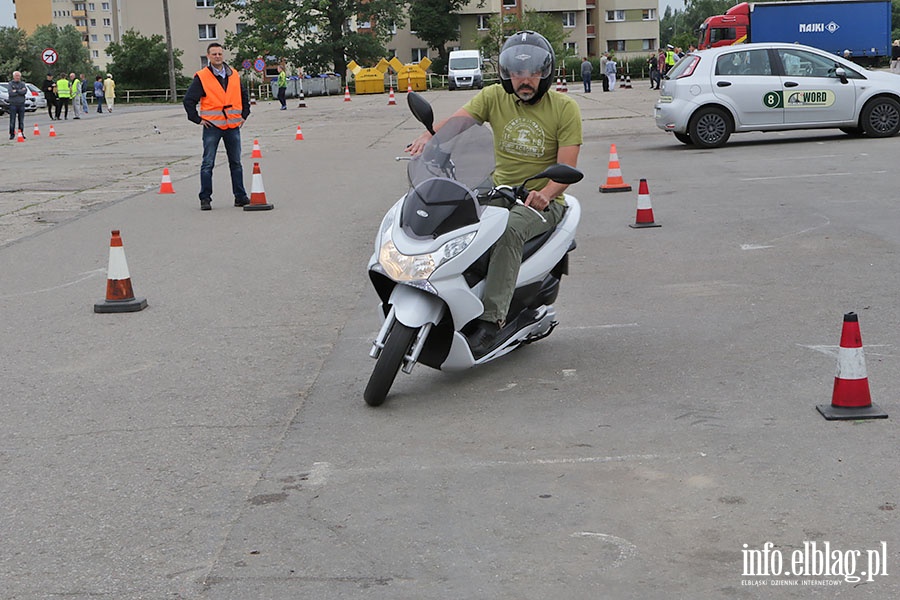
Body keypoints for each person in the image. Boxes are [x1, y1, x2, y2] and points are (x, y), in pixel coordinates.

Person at [406, 31, 582, 356]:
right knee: (454, 210)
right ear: (507, 74)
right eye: (517, 72)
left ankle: (491, 321)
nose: (524, 80)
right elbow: (459, 123)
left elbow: (567, 165)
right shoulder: (493, 97)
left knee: (511, 229)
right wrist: (430, 137)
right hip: (499, 186)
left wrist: (546, 192)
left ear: (546, 72)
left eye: (532, 73)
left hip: (542, 197)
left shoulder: (565, 108)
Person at [183, 42, 251, 211]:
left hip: (233, 126)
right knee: (208, 163)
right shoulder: (202, 77)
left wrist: (244, 115)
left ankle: (240, 197)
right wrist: (197, 119)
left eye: (219, 53)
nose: (217, 56)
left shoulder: (233, 74)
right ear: (208, 57)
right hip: (212, 127)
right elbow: (188, 100)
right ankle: (205, 198)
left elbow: (243, 96)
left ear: (223, 55)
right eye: (214, 54)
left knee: (236, 163)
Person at [7, 70, 28, 140]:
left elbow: (24, 92)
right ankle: (12, 134)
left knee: (21, 120)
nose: (17, 77)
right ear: (13, 76)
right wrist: (19, 91)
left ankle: (21, 133)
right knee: (12, 120)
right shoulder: (10, 84)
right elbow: (11, 93)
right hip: (13, 104)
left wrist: (16, 90)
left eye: (19, 76)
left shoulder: (22, 84)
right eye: (16, 76)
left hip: (21, 104)